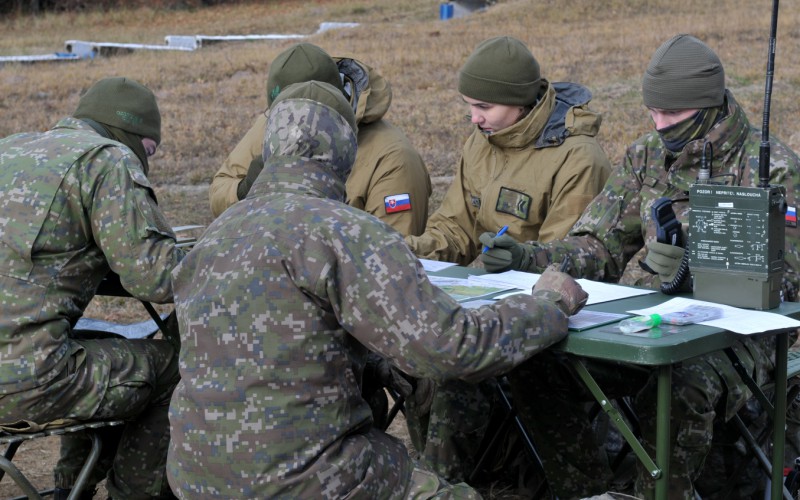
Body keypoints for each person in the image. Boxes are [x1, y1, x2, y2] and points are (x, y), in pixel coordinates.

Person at [166, 80, 589, 499]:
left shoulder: (213, 236)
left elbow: (274, 344)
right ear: (346, 156)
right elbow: (454, 347)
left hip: (195, 475)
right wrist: (547, 305)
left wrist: (380, 364)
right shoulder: (345, 231)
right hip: (310, 479)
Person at [479, 34, 800, 499]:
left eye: (672, 114)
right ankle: (587, 490)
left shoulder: (774, 170)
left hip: (737, 340)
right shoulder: (645, 156)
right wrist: (530, 257)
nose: (659, 123)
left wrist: (697, 272)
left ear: (709, 106)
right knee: (534, 360)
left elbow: (789, 283)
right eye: (653, 111)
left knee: (681, 386)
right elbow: (599, 245)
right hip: (641, 325)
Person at [402, 35, 612, 483]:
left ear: (519, 103)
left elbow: (572, 259)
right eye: (469, 105)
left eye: (484, 106)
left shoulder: (577, 157)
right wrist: (408, 248)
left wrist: (519, 259)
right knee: (415, 353)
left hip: (545, 315)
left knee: (458, 374)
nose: (474, 118)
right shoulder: (480, 142)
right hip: (483, 302)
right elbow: (454, 227)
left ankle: (450, 484)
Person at [0, 77, 184, 499]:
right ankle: (136, 493)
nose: (146, 159)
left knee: (102, 347)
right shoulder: (107, 160)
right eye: (149, 150)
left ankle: (69, 487)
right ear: (130, 136)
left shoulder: (10, 148)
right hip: (27, 383)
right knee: (174, 366)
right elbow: (154, 276)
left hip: (20, 370)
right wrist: (216, 257)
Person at [207, 42, 431, 237]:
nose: (291, 127)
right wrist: (243, 190)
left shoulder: (392, 157)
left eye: (301, 116)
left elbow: (394, 252)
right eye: (283, 114)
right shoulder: (275, 124)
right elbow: (219, 192)